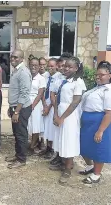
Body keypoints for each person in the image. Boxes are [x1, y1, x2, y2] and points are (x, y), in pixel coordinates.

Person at [52, 56, 86, 184]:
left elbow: (75, 102)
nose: (66, 68)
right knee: (61, 138)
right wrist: (55, 115)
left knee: (69, 139)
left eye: (70, 67)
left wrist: (61, 118)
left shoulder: (78, 82)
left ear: (76, 68)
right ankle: (63, 163)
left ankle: (68, 168)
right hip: (60, 112)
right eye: (65, 66)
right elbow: (56, 98)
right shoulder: (63, 80)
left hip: (69, 115)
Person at [79, 61, 111, 184]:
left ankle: (97, 174)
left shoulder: (108, 91)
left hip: (99, 122)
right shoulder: (97, 87)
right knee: (84, 145)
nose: (98, 76)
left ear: (109, 75)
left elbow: (109, 113)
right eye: (97, 74)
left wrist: (100, 130)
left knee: (98, 147)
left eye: (101, 74)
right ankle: (91, 166)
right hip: (88, 122)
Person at [6, 49, 32, 168]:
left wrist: (16, 111)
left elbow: (24, 93)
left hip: (21, 109)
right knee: (16, 133)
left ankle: (21, 160)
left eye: (16, 57)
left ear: (22, 59)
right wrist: (11, 108)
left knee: (21, 134)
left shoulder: (23, 72)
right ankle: (18, 155)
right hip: (15, 107)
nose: (13, 59)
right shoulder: (16, 71)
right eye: (12, 57)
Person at [41, 58, 60, 159]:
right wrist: (44, 104)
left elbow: (55, 96)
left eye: (52, 66)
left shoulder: (58, 78)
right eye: (49, 66)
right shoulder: (46, 77)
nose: (50, 68)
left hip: (52, 106)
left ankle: (51, 149)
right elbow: (43, 91)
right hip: (45, 104)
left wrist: (48, 107)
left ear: (56, 66)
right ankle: (47, 148)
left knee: (51, 129)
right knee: (46, 128)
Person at [27, 57, 46, 155]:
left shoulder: (41, 79)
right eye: (31, 65)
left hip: (36, 104)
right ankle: (28, 143)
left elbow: (40, 94)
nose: (33, 67)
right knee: (27, 124)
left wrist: (32, 106)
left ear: (39, 67)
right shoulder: (26, 76)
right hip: (26, 101)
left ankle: (32, 146)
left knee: (35, 125)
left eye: (35, 65)